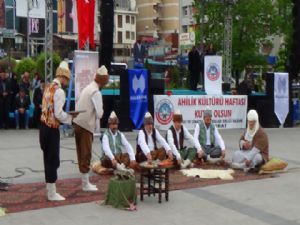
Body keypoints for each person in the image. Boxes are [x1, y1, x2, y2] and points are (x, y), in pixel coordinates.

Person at [39, 61, 75, 201]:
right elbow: (59, 114)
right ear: (64, 76)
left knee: (48, 159)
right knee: (53, 160)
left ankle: (50, 190)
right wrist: (71, 119)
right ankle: (52, 193)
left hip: (43, 127)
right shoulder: (59, 91)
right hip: (52, 129)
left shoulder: (48, 87)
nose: (66, 82)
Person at [73, 65, 109, 191]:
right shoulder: (96, 92)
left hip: (77, 123)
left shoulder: (87, 87)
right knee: (86, 154)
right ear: (103, 80)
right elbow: (100, 114)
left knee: (80, 153)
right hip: (85, 126)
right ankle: (85, 184)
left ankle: (85, 182)